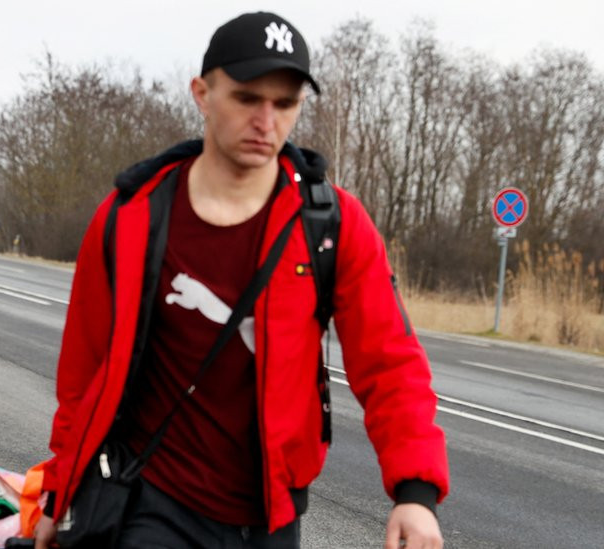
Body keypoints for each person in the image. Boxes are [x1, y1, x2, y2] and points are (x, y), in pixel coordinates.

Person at [35, 12, 448, 549]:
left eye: (285, 104)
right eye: (248, 98)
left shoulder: (329, 224)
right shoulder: (132, 216)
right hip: (149, 501)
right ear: (202, 94)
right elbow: (82, 376)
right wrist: (59, 492)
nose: (266, 120)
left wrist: (415, 494)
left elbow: (389, 363)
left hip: (270, 517)